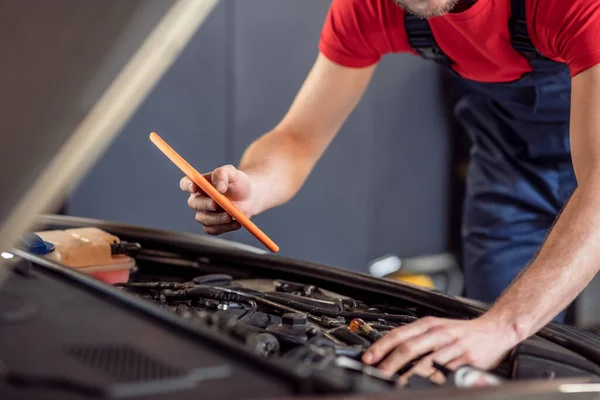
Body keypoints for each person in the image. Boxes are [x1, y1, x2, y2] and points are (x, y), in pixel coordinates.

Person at [180, 0, 600, 383]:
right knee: (493, 365)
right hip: (509, 173)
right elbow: (297, 139)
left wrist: (506, 323)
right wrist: (252, 187)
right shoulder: (371, 8)